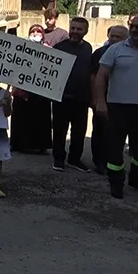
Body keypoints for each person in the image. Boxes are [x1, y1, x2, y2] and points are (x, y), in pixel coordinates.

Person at [95, 14, 138, 199]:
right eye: (132, 26)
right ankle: (116, 182)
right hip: (118, 107)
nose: (134, 30)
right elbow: (101, 76)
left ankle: (136, 178)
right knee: (114, 148)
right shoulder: (115, 50)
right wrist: (100, 101)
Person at [51, 17, 93, 173]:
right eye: (73, 28)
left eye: (79, 29)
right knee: (59, 130)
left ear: (86, 31)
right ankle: (58, 159)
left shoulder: (88, 48)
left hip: (81, 98)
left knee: (79, 131)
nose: (75, 31)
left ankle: (74, 159)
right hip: (62, 97)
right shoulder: (59, 47)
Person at [90, 25, 128, 174]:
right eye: (112, 36)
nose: (114, 39)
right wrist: (95, 99)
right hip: (103, 99)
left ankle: (113, 162)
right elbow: (93, 77)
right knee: (100, 131)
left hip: (122, 101)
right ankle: (99, 162)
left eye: (118, 37)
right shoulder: (99, 53)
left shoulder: (130, 54)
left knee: (118, 133)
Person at [10, 24, 53, 153]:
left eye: (38, 32)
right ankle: (18, 144)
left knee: (41, 118)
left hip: (41, 91)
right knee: (21, 117)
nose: (35, 34)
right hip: (22, 90)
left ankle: (41, 145)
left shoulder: (49, 50)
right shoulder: (21, 48)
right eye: (33, 32)